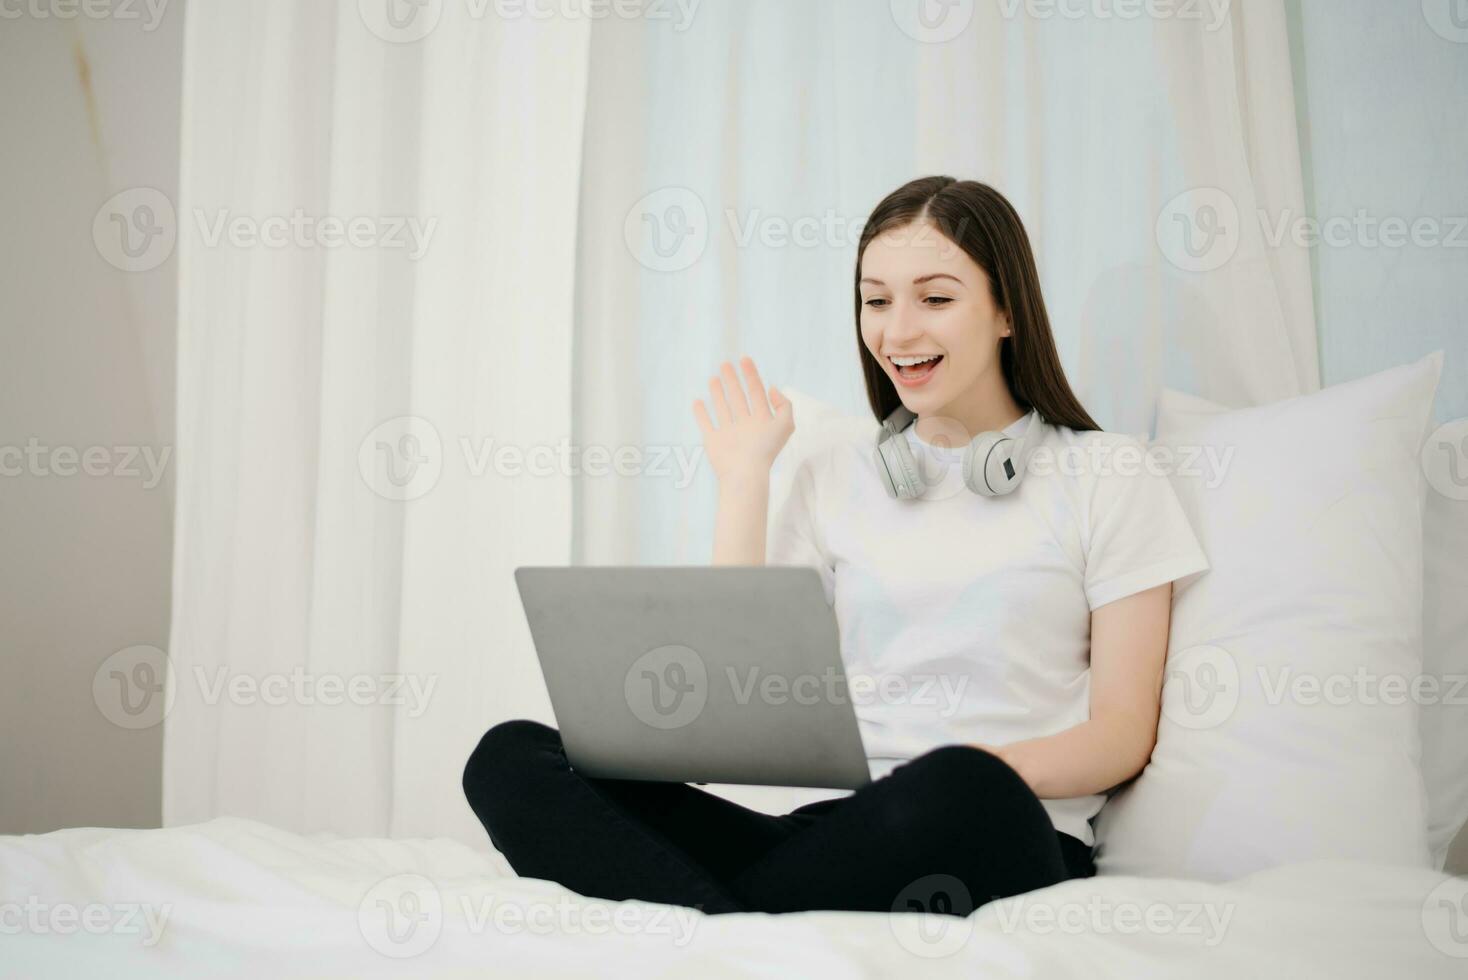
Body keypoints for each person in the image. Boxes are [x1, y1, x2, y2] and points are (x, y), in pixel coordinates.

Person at [463, 176, 1209, 916]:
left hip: (993, 821)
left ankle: (720, 932)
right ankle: (744, 941)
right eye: (876, 300)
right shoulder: (831, 472)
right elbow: (733, 701)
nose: (898, 331)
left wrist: (983, 769)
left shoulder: (1106, 474)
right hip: (834, 836)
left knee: (958, 785)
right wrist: (744, 480)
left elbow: (1121, 733)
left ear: (1008, 310)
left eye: (936, 299)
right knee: (510, 758)